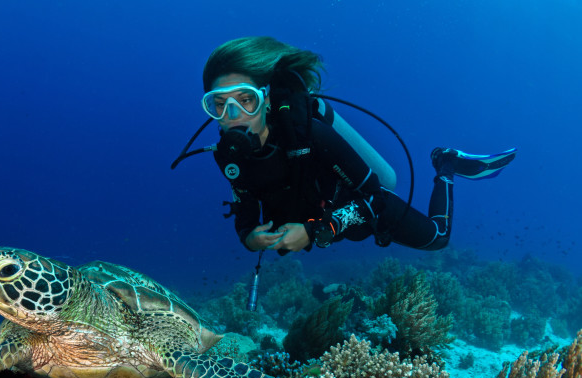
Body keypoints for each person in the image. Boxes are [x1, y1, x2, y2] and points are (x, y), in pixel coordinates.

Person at [190, 36, 516, 254]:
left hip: (363, 207)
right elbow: (245, 208)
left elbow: (373, 196)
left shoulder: (310, 136)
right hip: (321, 220)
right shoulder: (227, 157)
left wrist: (316, 229)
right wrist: (249, 238)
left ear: (267, 99)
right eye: (218, 104)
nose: (233, 116)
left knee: (438, 240)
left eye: (246, 100)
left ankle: (446, 165)